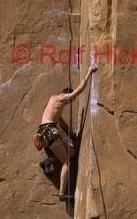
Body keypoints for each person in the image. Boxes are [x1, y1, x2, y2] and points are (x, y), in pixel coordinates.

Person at [34, 65, 98, 201]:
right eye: (71, 100)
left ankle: (49, 161)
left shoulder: (53, 100)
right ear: (66, 94)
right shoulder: (62, 98)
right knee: (67, 162)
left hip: (43, 132)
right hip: (50, 130)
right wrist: (89, 72)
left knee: (72, 152)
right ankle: (62, 194)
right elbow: (80, 90)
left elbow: (62, 124)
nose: (71, 101)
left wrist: (72, 134)